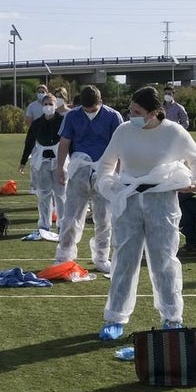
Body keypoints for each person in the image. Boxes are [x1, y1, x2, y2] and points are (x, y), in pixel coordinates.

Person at [97, 86, 196, 340]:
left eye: (137, 111)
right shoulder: (124, 131)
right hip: (129, 201)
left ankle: (172, 317)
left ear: (155, 112)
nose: (131, 115)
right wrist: (107, 185)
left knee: (165, 261)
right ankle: (115, 317)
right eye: (130, 110)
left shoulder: (174, 132)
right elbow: (106, 164)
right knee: (124, 260)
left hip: (162, 203)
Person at [55, 85, 122, 271]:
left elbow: (120, 146)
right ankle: (64, 255)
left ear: (100, 103)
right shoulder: (72, 116)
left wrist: (118, 173)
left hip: (105, 171)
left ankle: (101, 257)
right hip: (79, 169)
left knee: (104, 218)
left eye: (93, 110)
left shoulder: (113, 116)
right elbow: (64, 142)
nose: (89, 113)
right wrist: (60, 168)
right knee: (71, 215)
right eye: (86, 110)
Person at [19, 93, 65, 232]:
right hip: (42, 161)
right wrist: (23, 161)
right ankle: (44, 224)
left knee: (61, 194)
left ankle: (62, 224)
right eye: (45, 104)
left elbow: (70, 141)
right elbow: (29, 142)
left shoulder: (62, 121)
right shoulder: (37, 123)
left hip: (59, 161)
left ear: (56, 105)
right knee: (44, 194)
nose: (48, 107)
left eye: (51, 104)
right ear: (41, 106)